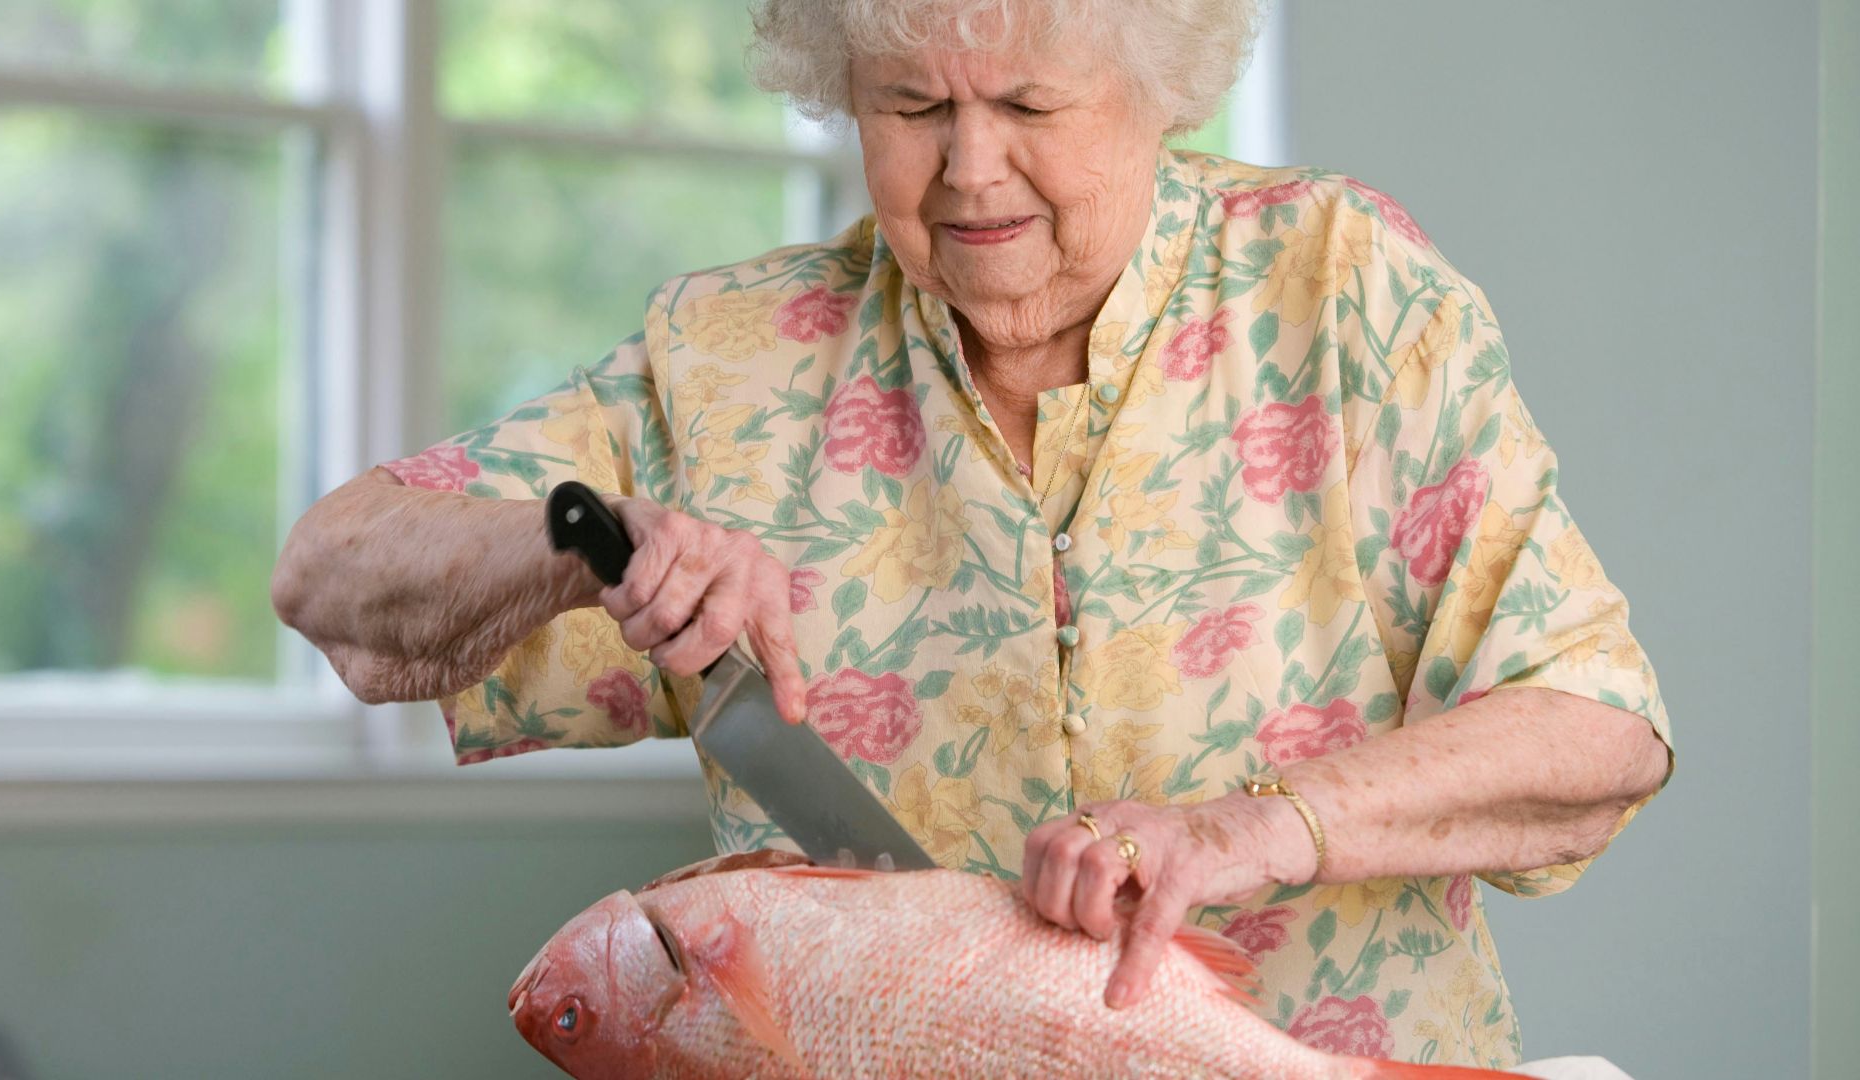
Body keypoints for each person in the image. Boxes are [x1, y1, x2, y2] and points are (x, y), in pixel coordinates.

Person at [271, 0, 1672, 1066]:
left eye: (1026, 101)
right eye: (910, 103)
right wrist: (579, 547)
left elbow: (1598, 731)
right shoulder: (730, 359)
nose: (971, 168)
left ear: (1152, 93)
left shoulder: (1341, 287)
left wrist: (1262, 829)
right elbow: (330, 575)